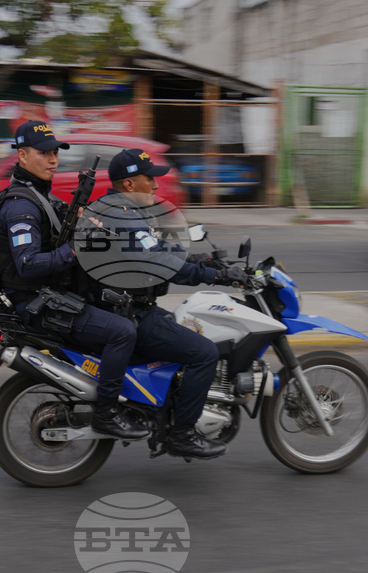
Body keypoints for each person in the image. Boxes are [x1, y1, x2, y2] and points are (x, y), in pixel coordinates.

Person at [80, 148, 247, 460]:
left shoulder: (120, 210)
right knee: (204, 352)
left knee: (186, 327)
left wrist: (202, 260)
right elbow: (160, 264)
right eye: (149, 179)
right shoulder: (122, 217)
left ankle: (163, 413)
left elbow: (159, 251)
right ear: (129, 184)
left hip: (129, 307)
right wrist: (217, 276)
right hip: (129, 314)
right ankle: (183, 434)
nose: (156, 185)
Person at [0, 121, 150, 442]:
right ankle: (106, 414)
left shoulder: (41, 196)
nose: (53, 159)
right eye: (44, 153)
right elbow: (28, 264)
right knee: (122, 332)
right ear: (22, 156)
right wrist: (76, 249)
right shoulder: (21, 206)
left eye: (55, 153)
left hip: (49, 293)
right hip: (33, 301)